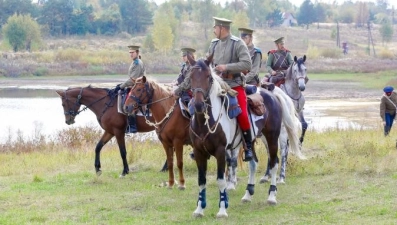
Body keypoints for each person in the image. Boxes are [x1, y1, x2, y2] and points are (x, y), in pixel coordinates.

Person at [207, 17, 253, 161]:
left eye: (215, 28)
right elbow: (208, 62)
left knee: (243, 114)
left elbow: (247, 64)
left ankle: (248, 146)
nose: (214, 31)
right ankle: (200, 144)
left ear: (222, 28)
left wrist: (226, 67)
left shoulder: (238, 43)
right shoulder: (213, 44)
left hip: (234, 84)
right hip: (216, 85)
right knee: (198, 107)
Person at [116, 45, 146, 133]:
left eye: (132, 53)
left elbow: (133, 79)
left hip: (138, 87)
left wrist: (122, 85)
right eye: (130, 53)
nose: (131, 54)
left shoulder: (138, 63)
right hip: (134, 86)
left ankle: (133, 127)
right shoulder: (134, 62)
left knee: (129, 104)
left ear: (137, 52)